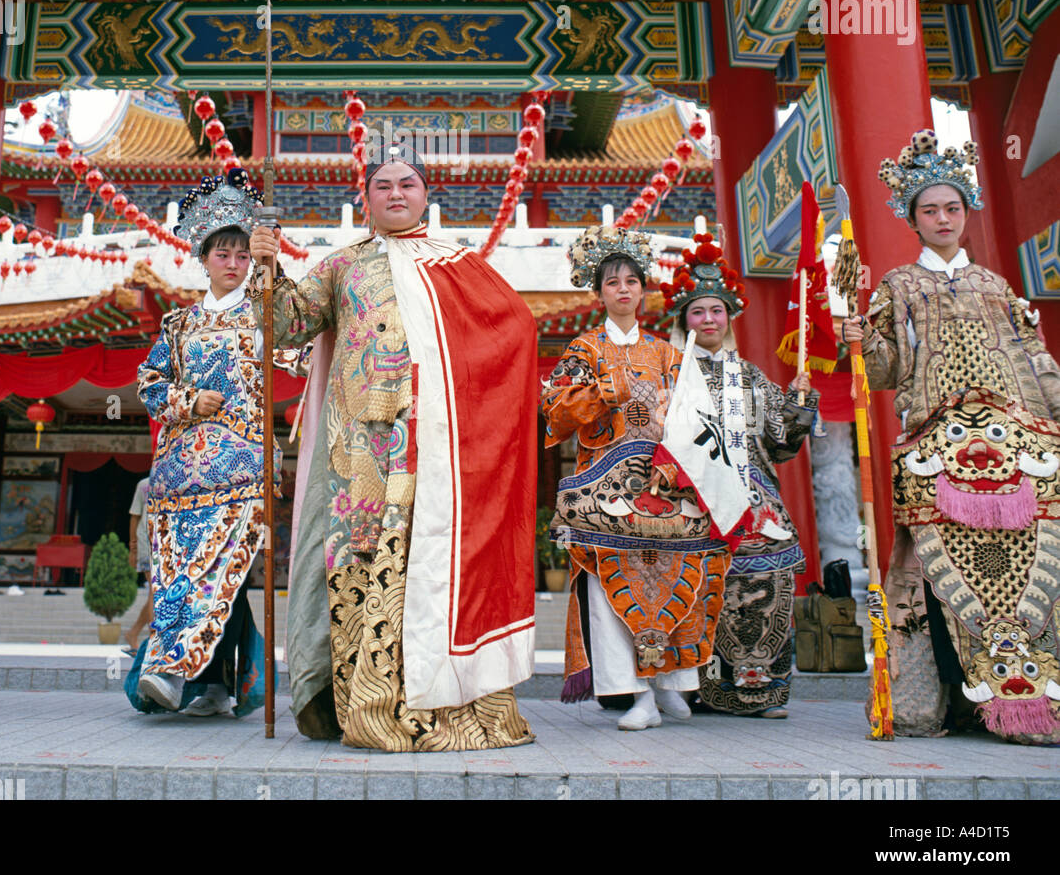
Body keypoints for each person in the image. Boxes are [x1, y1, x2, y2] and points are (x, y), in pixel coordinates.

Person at [247, 146, 537, 751]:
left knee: (433, 572)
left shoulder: (461, 266)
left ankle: (450, 703)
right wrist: (267, 269)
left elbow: (515, 328)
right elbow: (287, 324)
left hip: (438, 455)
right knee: (364, 573)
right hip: (360, 457)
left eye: (408, 184)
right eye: (382, 186)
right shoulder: (341, 268)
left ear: (427, 195)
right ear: (366, 199)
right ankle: (366, 708)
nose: (396, 194)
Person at [843, 130, 1060, 743]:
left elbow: (1037, 362)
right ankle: (935, 700)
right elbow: (885, 372)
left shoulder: (997, 286)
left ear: (967, 213)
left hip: (1021, 451)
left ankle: (1031, 698)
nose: (942, 219)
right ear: (912, 220)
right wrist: (862, 342)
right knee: (939, 575)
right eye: (930, 211)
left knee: (1031, 570)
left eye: (952, 209)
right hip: (939, 450)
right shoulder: (898, 286)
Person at [542, 226, 729, 732]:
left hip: (665, 486)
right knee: (612, 588)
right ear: (598, 292)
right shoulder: (584, 350)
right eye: (612, 282)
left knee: (672, 579)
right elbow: (554, 412)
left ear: (644, 290)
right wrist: (604, 393)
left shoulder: (669, 354)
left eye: (631, 281)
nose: (623, 289)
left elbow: (697, 415)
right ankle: (636, 692)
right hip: (607, 494)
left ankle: (670, 685)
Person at [134, 169, 278, 719]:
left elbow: (305, 354)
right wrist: (187, 400)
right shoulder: (178, 323)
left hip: (242, 469)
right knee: (178, 574)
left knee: (224, 574)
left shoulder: (266, 313)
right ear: (204, 257)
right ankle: (212, 685)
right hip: (178, 474)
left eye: (243, 254)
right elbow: (149, 383)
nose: (234, 263)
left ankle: (170, 671)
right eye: (224, 253)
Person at [661, 231, 817, 717]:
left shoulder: (747, 375)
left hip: (753, 499)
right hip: (691, 499)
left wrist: (800, 405)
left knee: (769, 569)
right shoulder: (669, 375)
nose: (708, 320)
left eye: (716, 311)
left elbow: (779, 440)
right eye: (698, 312)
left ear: (728, 317)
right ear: (683, 320)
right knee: (701, 585)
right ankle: (701, 688)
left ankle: (761, 688)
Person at [122, 474, 152, 653]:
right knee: (156, 592)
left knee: (155, 594)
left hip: (168, 545)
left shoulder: (176, 481)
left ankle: (133, 633)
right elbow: (135, 516)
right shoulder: (144, 485)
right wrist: (133, 548)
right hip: (147, 543)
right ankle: (155, 640)